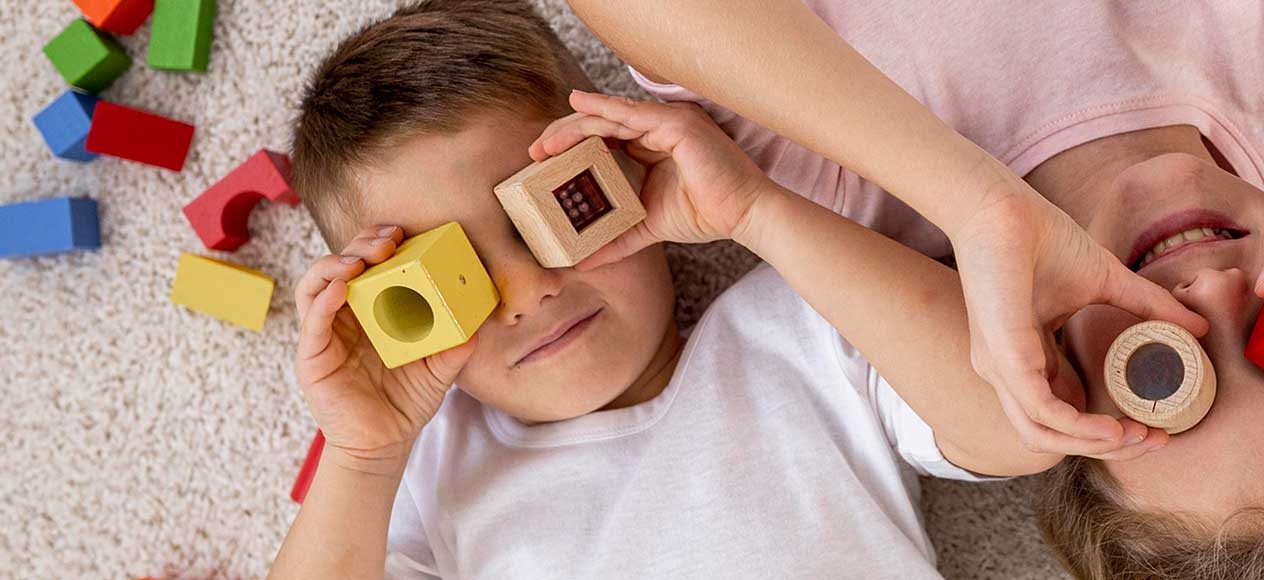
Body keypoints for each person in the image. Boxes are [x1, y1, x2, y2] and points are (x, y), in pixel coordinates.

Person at [561, 0, 1264, 577]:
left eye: (1167, 372)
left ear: (1053, 389)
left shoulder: (861, 178)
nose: (1219, 291)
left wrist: (972, 198)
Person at [265, 1, 1057, 577]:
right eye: (448, 282)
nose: (527, 291)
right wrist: (363, 457)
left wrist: (755, 209)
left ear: (628, 167)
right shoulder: (431, 465)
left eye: (554, 210)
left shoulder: (796, 328)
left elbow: (1022, 422)